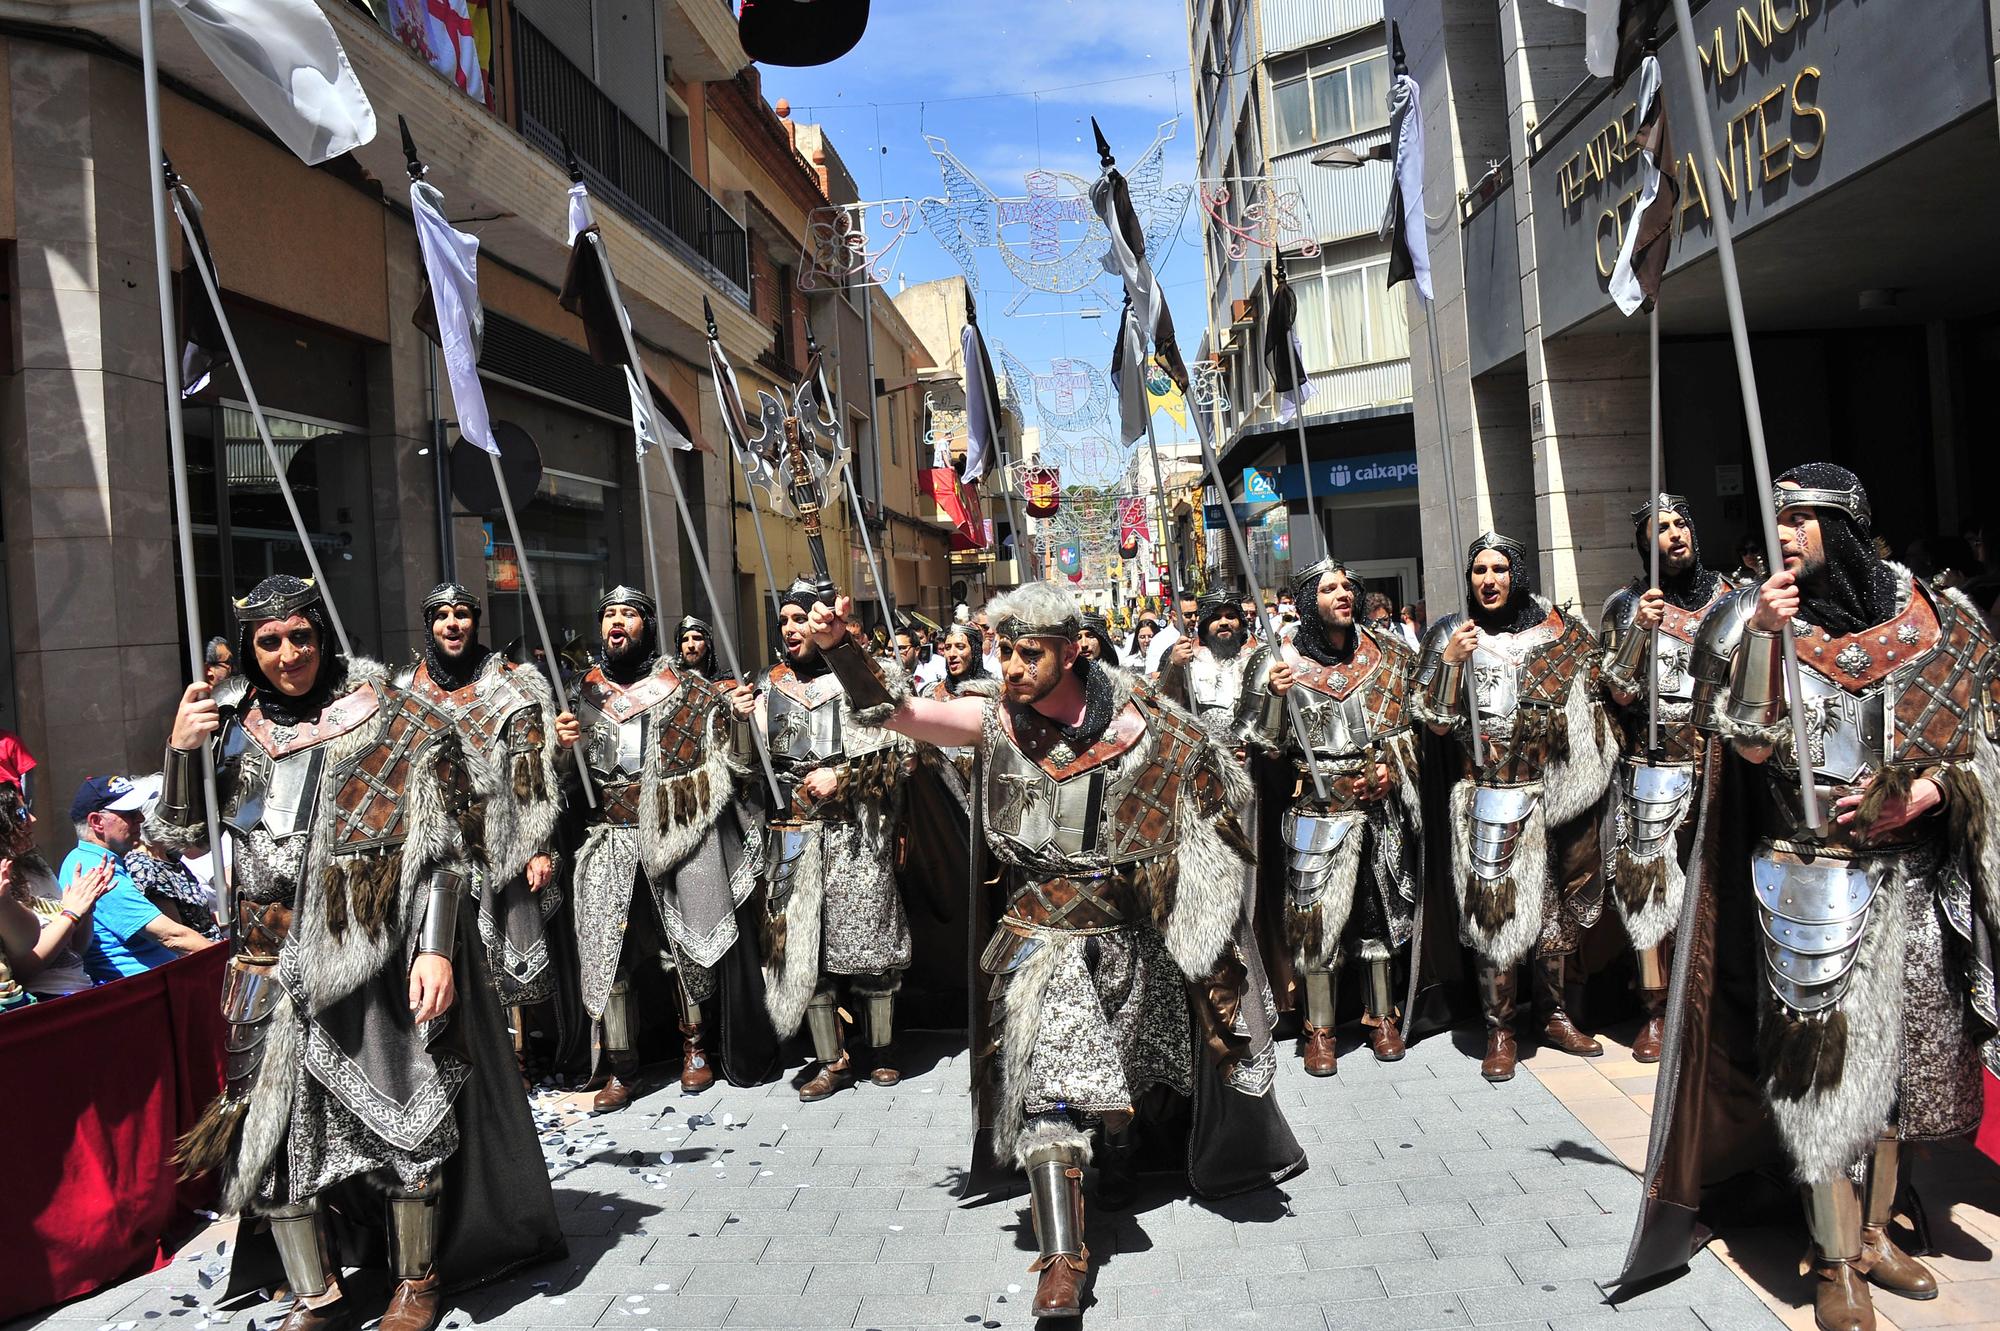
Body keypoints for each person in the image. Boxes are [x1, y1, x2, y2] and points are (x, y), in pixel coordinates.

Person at [801, 581, 1303, 1317]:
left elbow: (1213, 809)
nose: (1010, 666)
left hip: (1128, 940)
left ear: (1073, 650)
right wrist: (843, 647)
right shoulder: (992, 719)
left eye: (1028, 652)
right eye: (1004, 650)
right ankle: (1063, 1258)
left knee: (1117, 1091)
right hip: (1038, 940)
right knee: (1051, 1096)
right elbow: (899, 713)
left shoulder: (1145, 725)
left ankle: (1124, 1152)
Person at [1623, 465, 2000, 1331]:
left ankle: (1873, 1233)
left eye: (1802, 518)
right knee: (1824, 1076)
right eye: (1776, 518)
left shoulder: (1938, 618)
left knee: (1898, 1075)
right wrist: (1759, 637)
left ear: (1847, 522)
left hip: (1911, 872)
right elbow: (1747, 746)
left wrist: (1935, 793)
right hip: (1810, 874)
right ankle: (1833, 1260)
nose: (1785, 533)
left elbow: (1981, 738)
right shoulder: (1750, 616)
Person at [156, 574, 561, 1331]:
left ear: (322, 634)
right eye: (269, 641)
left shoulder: (392, 719)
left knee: (406, 1118)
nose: (287, 654)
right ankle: (318, 1294)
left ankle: (417, 1279)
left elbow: (445, 849)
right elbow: (179, 838)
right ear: (249, 647)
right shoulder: (234, 723)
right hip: (264, 960)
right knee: (268, 1139)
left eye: (301, 636)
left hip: (366, 947)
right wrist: (182, 752)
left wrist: (435, 949)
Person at [1412, 533, 1618, 1082]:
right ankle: (1499, 1028)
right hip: (1488, 793)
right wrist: (1453, 661)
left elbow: (1601, 705)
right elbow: (1431, 718)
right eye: (1478, 569)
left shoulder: (1562, 633)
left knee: (1554, 917)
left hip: (1553, 797)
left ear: (1517, 573)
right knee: (1495, 916)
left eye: (1499, 569)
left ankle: (1551, 1014)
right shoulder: (1452, 636)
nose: (1488, 580)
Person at [569, 586, 769, 1106]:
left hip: (675, 833)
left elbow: (737, 763)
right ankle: (621, 1066)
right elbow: (566, 782)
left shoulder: (685, 687)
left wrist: (740, 717)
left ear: (648, 626)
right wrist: (558, 746)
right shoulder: (582, 693)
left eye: (628, 614)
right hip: (609, 838)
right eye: (609, 614)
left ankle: (695, 1048)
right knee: (607, 954)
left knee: (684, 947)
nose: (617, 623)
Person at [1240, 558, 1424, 1075]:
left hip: (1377, 808)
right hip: (1315, 810)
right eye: (1327, 588)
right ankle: (1318, 1027)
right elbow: (1260, 744)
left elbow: (1417, 724)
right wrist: (1274, 699)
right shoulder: (1277, 663)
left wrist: (1393, 768)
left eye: (1348, 586)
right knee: (1314, 922)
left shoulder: (1388, 654)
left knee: (1379, 912)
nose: (1342, 594)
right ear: (1306, 601)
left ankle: (1380, 1015)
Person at [755, 578, 916, 1100]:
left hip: (855, 833)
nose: (790, 629)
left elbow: (903, 756)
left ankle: (884, 1050)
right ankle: (831, 1059)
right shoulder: (767, 685)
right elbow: (745, 767)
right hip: (794, 836)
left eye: (798, 618)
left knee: (871, 947)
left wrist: (843, 777)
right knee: (807, 955)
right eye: (782, 621)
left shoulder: (868, 676)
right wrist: (736, 726)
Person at [401, 583, 568, 1086]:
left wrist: (537, 845)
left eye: (461, 615)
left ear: (476, 621)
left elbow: (534, 776)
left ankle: (513, 1056)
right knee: (438, 953)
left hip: (499, 843)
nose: (452, 624)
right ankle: (452, 1058)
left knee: (503, 956)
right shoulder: (404, 690)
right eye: (441, 615)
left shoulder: (514, 687)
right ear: (429, 625)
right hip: (432, 850)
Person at [1596, 495, 1736, 1063]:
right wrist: (1638, 634)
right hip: (1652, 762)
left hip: (1720, 756)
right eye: (1661, 529)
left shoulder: (1733, 598)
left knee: (1718, 881)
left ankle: (1709, 1001)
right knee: (1648, 887)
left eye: (1681, 524)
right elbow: (1618, 690)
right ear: (1644, 543)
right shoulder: (1627, 604)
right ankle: (1654, 1009)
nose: (1674, 536)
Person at [63, 775, 212, 980]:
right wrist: (229, 966)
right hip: (141, 992)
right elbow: (172, 936)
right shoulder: (95, 868)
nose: (140, 819)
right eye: (129, 813)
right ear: (96, 822)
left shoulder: (98, 859)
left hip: (159, 982)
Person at [0, 782, 104, 999]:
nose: (33, 820)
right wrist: (71, 915)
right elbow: (23, 971)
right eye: (20, 814)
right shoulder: (3, 885)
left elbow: (76, 949)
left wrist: (86, 908)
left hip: (83, 988)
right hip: (43, 999)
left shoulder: (37, 866)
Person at [123, 775, 222, 941]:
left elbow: (198, 921)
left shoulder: (170, 859)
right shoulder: (143, 866)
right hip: (201, 958)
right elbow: (178, 933)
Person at [1159, 592, 1256, 736]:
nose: (1224, 622)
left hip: (1253, 752)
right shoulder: (1185, 653)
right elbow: (1166, 704)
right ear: (1205, 623)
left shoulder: (1259, 653)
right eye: (1216, 617)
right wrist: (1174, 665)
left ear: (1240, 621)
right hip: (1205, 750)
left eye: (1230, 616)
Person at [676, 614, 720, 679]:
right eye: (685, 640)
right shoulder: (669, 683)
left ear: (707, 645)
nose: (691, 645)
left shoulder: (726, 682)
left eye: (697, 638)